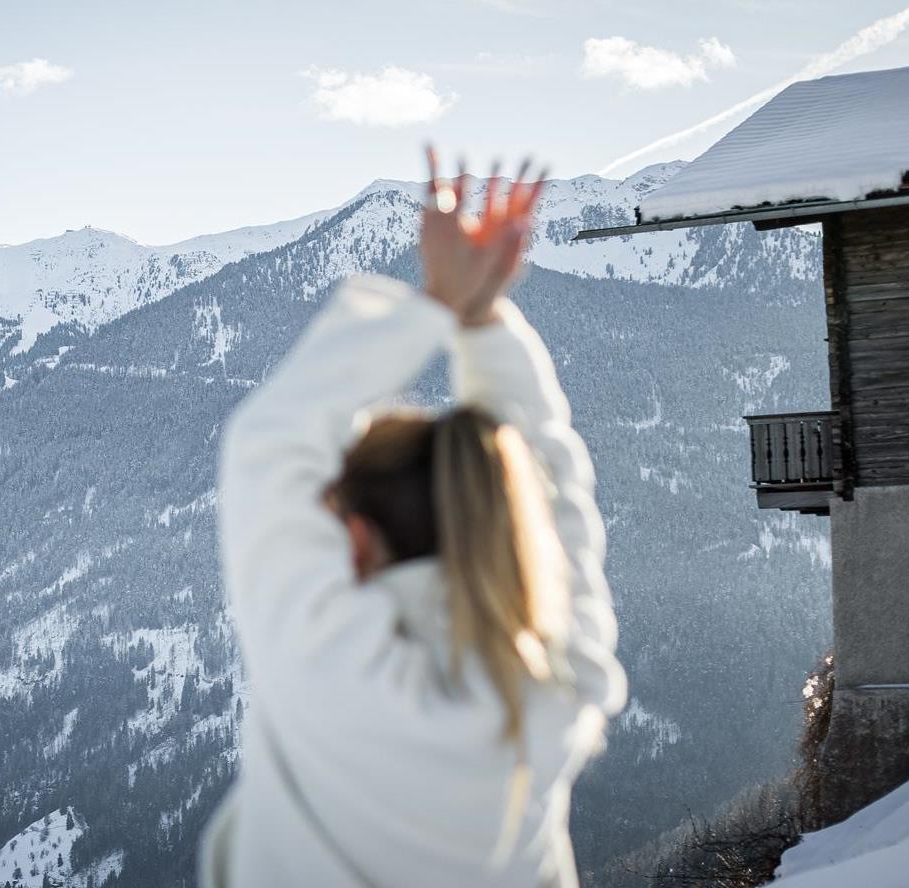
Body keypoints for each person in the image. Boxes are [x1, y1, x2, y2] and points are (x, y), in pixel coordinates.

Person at [199, 151, 627, 888]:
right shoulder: (556, 688)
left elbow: (551, 487)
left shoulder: (336, 673)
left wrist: (458, 307)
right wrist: (466, 312)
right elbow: (551, 503)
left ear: (357, 539)